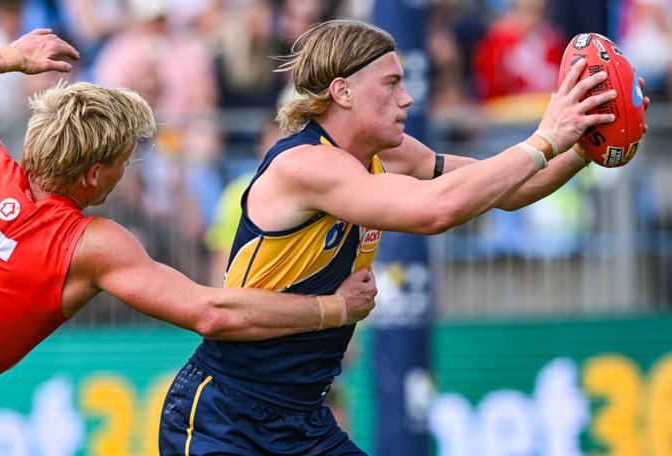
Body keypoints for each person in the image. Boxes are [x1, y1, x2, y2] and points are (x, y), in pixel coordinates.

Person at [0, 29, 378, 454]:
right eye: (124, 160)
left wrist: (13, 56)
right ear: (93, 175)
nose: (126, 172)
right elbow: (212, 312)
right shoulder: (90, 245)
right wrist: (332, 309)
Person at [159, 18, 647, 455]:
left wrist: (586, 138)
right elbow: (436, 211)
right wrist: (545, 138)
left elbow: (510, 190)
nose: (407, 99)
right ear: (343, 91)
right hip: (223, 415)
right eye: (391, 84)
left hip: (301, 419)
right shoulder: (305, 164)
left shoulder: (392, 154)